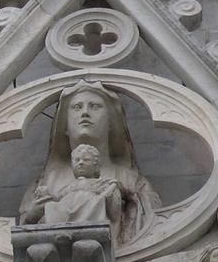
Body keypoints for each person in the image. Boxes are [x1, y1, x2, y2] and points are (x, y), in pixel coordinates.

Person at [19, 80, 160, 245]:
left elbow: (150, 222)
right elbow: (25, 229)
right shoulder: (45, 181)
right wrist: (33, 215)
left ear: (111, 123)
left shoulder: (131, 180)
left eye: (95, 106)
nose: (85, 113)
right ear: (64, 125)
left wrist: (126, 197)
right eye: (77, 107)